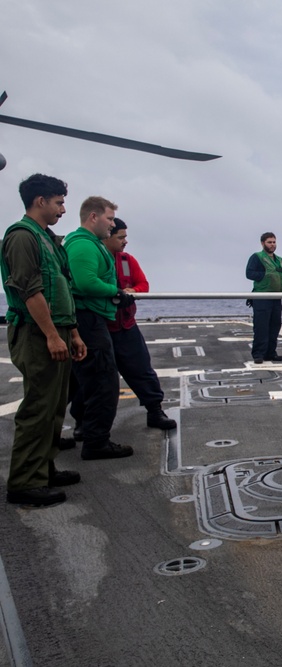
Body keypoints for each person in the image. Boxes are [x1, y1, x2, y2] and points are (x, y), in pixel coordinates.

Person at [1, 174, 86, 507]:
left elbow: (61, 287)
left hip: (58, 329)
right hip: (37, 333)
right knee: (38, 407)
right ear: (40, 201)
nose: (63, 209)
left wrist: (73, 332)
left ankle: (43, 468)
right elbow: (29, 290)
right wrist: (52, 335)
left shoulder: (48, 239)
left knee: (53, 406)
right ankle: (24, 482)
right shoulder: (22, 237)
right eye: (59, 202)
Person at [65, 196, 134, 460]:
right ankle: (96, 442)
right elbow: (85, 282)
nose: (112, 224)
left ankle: (83, 433)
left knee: (80, 382)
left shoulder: (87, 243)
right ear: (93, 217)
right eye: (109, 218)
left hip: (89, 318)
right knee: (103, 381)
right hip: (88, 320)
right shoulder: (83, 245)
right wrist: (115, 291)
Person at [102, 217, 176, 431]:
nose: (125, 241)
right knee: (93, 377)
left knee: (142, 370)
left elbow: (143, 284)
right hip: (101, 327)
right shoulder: (94, 258)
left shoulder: (127, 261)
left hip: (126, 325)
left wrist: (132, 291)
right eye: (121, 237)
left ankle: (155, 410)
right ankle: (83, 422)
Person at [245, 232, 282, 363]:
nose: (272, 245)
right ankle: (258, 354)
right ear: (263, 243)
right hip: (262, 297)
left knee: (275, 326)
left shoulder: (279, 260)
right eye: (269, 242)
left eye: (274, 242)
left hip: (277, 297)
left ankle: (271, 352)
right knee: (261, 326)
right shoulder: (256, 257)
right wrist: (265, 275)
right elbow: (249, 273)